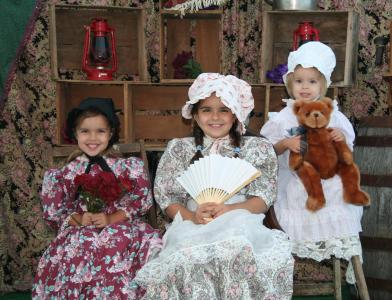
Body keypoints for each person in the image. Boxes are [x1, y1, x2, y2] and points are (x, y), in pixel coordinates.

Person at [134, 73, 294, 299]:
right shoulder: (179, 149)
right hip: (192, 220)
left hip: (241, 218)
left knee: (237, 248)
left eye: (224, 109)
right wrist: (192, 216)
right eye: (206, 110)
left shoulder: (257, 148)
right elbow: (167, 198)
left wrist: (229, 210)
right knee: (186, 253)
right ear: (196, 116)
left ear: (236, 114)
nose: (215, 117)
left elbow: (263, 198)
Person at [32, 98, 162, 299]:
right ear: (75, 133)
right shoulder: (67, 172)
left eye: (100, 131)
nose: (93, 138)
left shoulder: (126, 167)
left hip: (120, 224)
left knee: (116, 239)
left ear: (110, 133)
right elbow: (54, 212)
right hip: (82, 227)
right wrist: (79, 219)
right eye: (85, 131)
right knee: (83, 243)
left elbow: (141, 199)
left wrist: (111, 218)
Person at [260, 42, 364, 283]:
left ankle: (337, 233)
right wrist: (285, 144)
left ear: (323, 84)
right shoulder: (284, 116)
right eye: (298, 81)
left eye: (312, 81)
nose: (304, 87)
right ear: (290, 83)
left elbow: (347, 150)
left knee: (339, 188)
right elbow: (266, 151)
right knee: (300, 189)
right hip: (297, 178)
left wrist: (339, 138)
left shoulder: (334, 114)